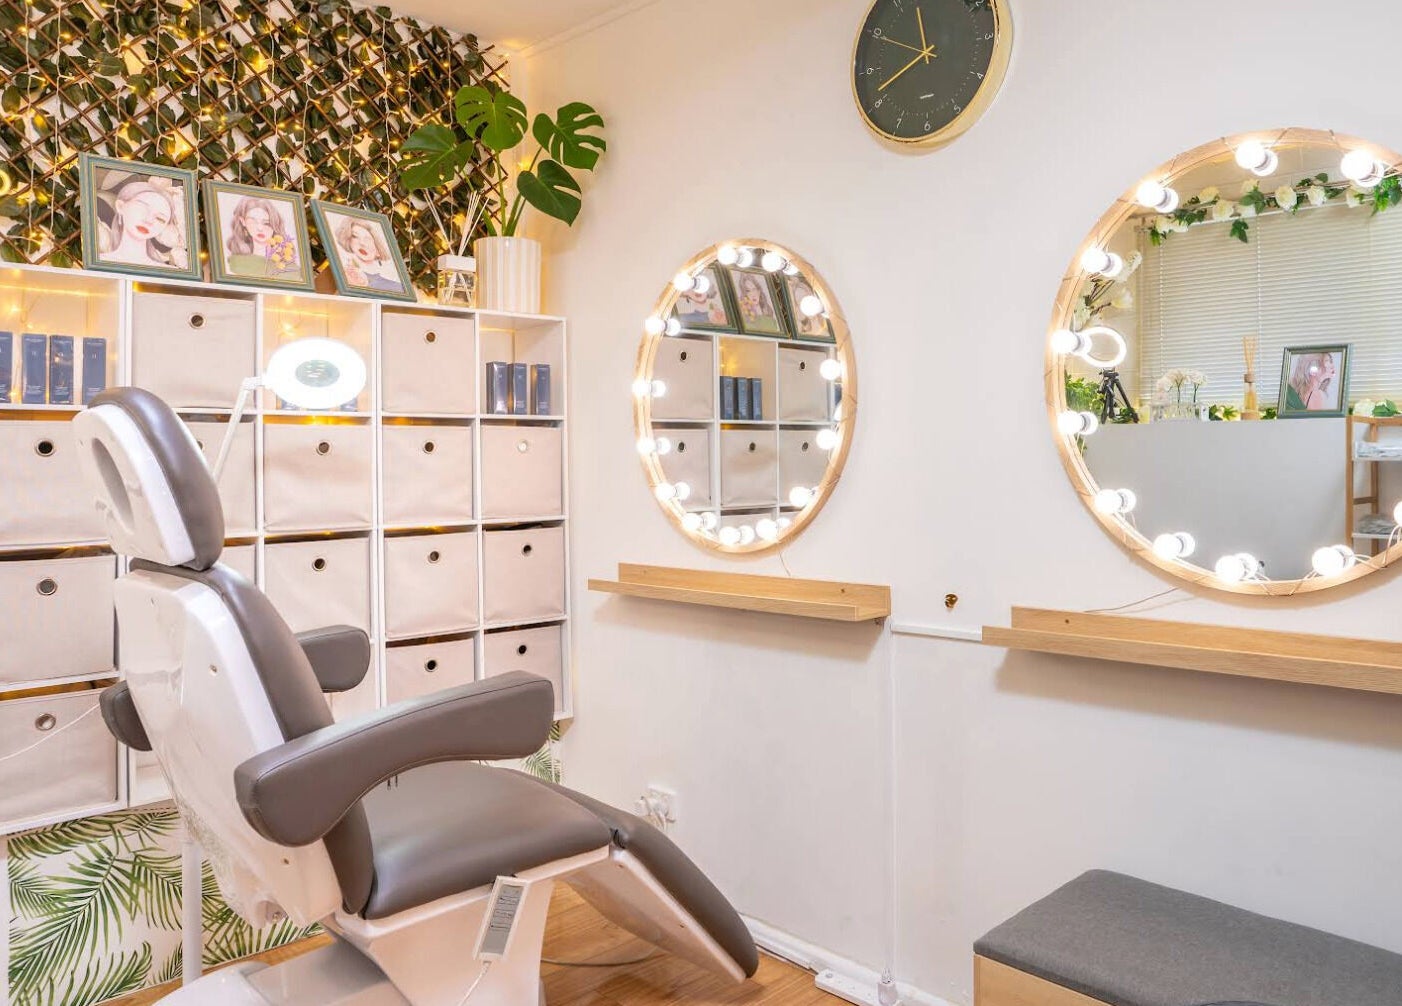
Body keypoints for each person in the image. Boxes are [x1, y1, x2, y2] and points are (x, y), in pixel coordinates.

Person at [97, 180, 188, 269]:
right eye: (142, 208)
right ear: (120, 206)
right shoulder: (98, 261)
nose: (149, 220)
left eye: (160, 219)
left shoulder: (169, 271)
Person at [224, 196, 299, 279]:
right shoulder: (235, 263)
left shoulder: (290, 268)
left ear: (274, 224)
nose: (260, 228)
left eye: (266, 223)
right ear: (243, 221)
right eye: (253, 221)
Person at [334, 216, 404, 293]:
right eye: (355, 236)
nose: (362, 243)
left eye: (367, 239)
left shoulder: (397, 287)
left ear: (378, 247)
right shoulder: (342, 271)